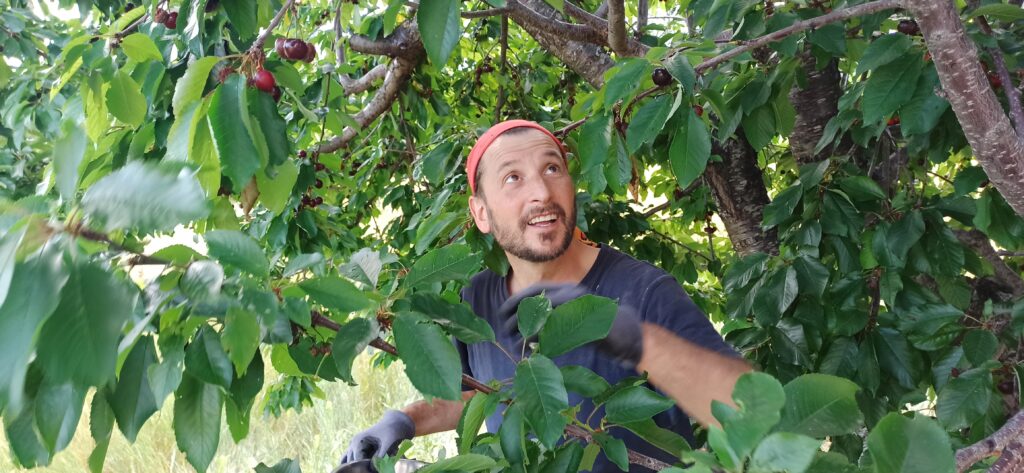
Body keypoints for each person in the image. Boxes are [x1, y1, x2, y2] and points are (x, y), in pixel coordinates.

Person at [340, 120, 751, 471]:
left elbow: (746, 414)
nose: (541, 191)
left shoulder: (644, 292)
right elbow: (475, 392)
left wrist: (637, 342)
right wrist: (403, 421)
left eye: (552, 168)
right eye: (513, 177)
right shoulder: (477, 298)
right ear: (481, 213)